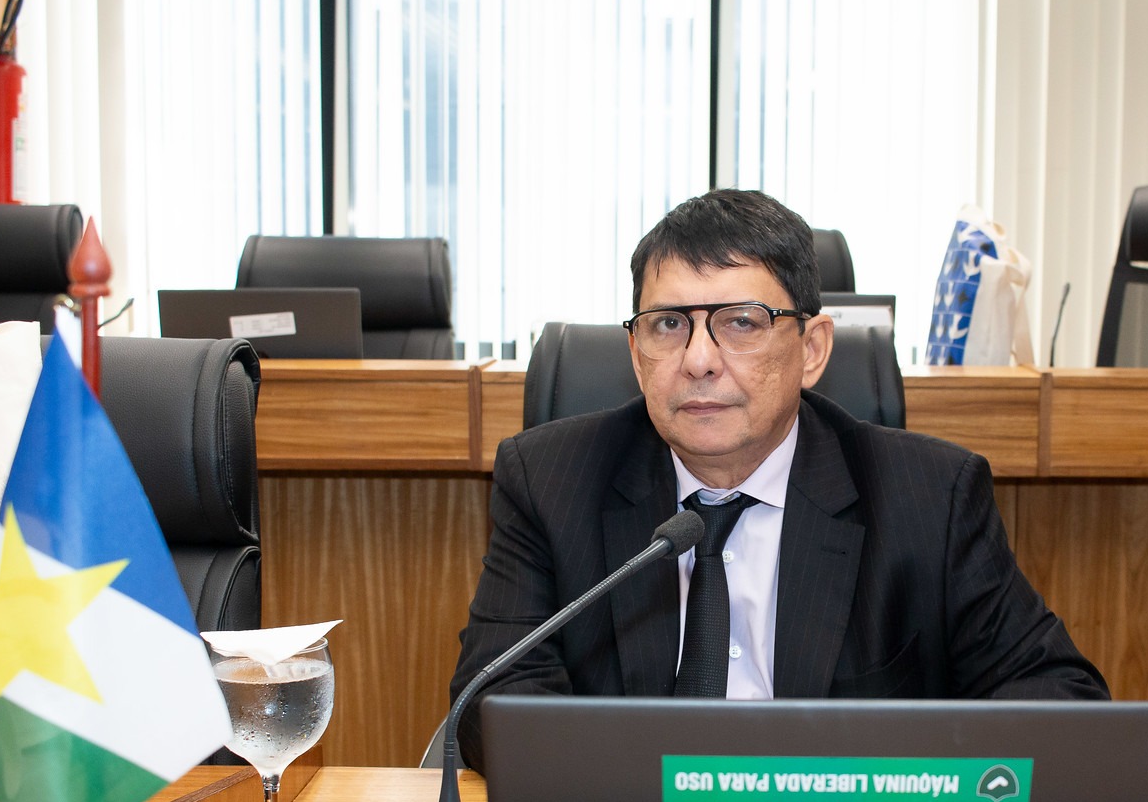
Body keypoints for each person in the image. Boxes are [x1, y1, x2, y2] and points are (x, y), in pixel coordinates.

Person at [450, 189, 1107, 771]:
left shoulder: (930, 497)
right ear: (636, 354)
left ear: (813, 348)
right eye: (668, 325)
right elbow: (494, 701)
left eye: (741, 322)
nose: (699, 359)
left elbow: (1058, 698)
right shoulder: (551, 480)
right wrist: (654, 793)